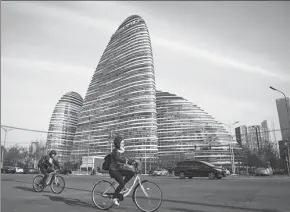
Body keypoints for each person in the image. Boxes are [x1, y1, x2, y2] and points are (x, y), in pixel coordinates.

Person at [109, 136, 135, 206]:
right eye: (122, 143)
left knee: (131, 173)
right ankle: (114, 198)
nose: (123, 144)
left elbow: (125, 158)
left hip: (118, 169)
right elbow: (118, 159)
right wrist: (127, 161)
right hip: (113, 170)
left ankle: (123, 186)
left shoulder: (121, 150)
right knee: (122, 182)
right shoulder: (115, 151)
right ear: (118, 143)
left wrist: (133, 162)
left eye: (123, 143)